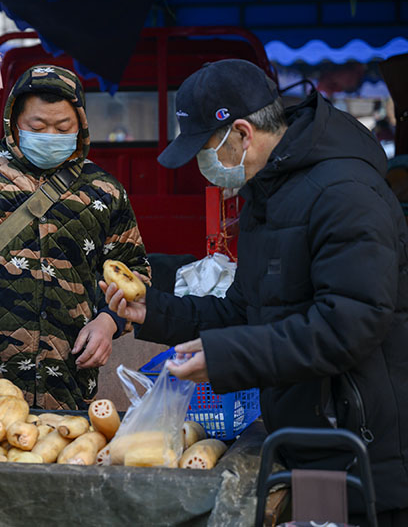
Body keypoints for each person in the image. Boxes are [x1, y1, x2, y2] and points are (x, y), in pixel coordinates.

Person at [102, 59, 408, 523]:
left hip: (362, 449)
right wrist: (154, 310)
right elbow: (247, 311)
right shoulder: (270, 193)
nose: (205, 167)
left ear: (242, 134)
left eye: (207, 149)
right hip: (311, 443)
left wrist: (224, 358)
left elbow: (349, 325)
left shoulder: (344, 193)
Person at [0, 65, 150, 410]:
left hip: (66, 382)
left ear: (80, 125)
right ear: (14, 122)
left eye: (63, 127)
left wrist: (110, 321)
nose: (50, 134)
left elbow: (133, 270)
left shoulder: (105, 191)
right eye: (37, 126)